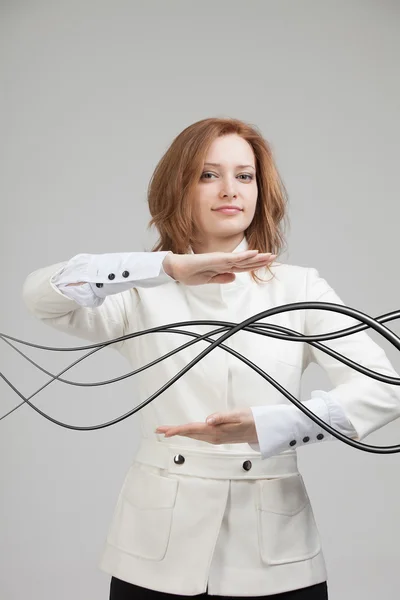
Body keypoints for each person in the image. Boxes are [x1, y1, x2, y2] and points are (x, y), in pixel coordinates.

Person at [22, 118, 400, 600]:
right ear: (177, 187)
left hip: (274, 554)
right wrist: (164, 267)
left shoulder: (300, 287)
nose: (230, 190)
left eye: (244, 176)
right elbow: (41, 296)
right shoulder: (141, 290)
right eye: (207, 174)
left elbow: (386, 390)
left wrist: (273, 425)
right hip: (154, 551)